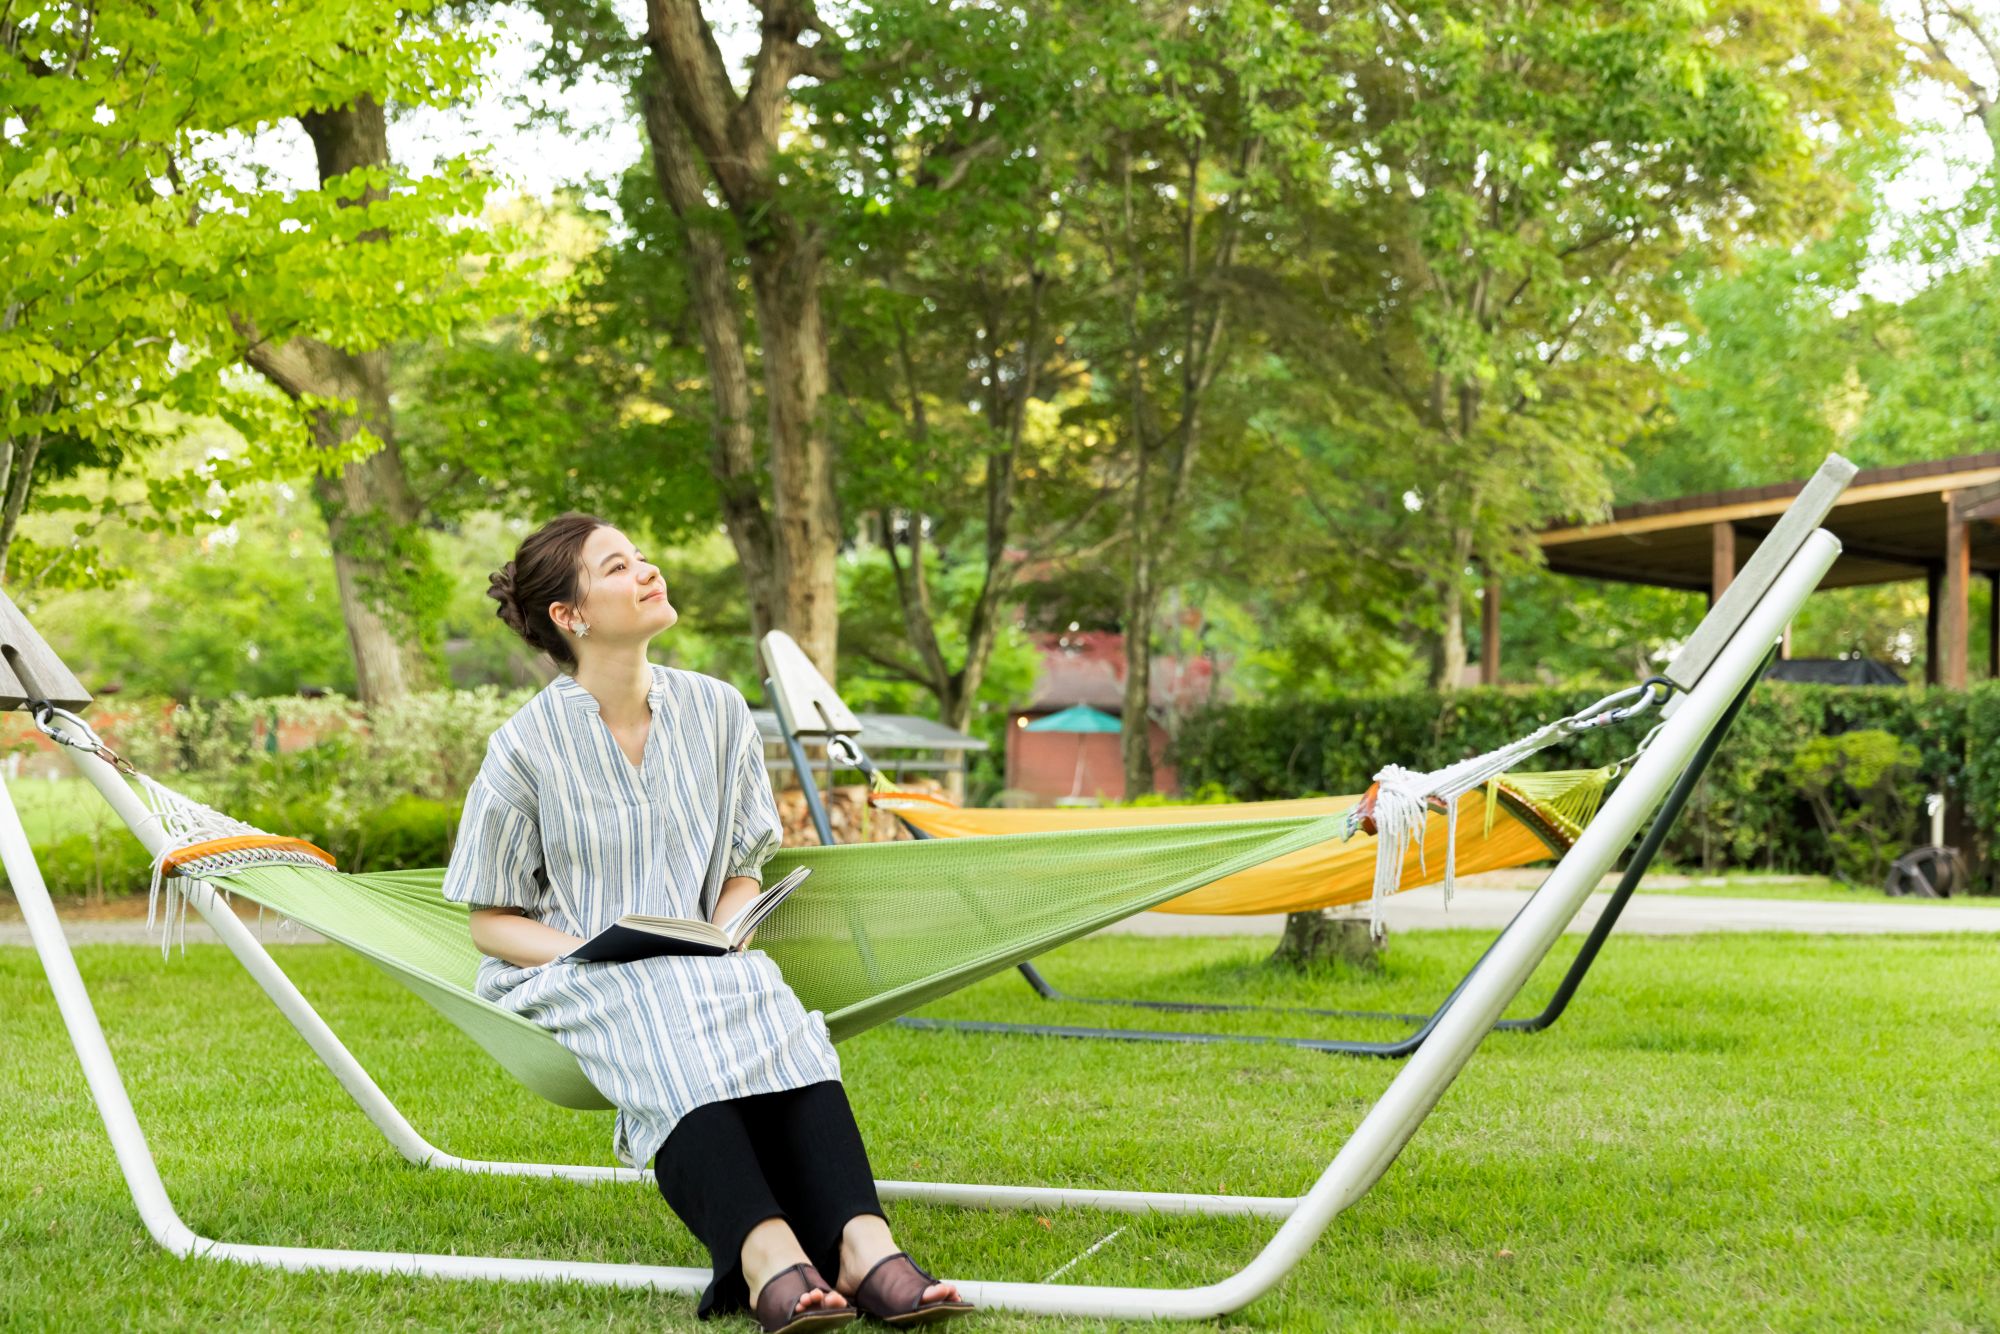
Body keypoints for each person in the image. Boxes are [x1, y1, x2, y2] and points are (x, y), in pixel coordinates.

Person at [442, 513, 973, 1333]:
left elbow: (740, 864)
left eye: (643, 556)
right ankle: (767, 1262)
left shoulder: (717, 711)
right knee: (658, 1000)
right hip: (571, 972)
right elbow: (491, 920)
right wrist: (592, 951)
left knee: (764, 995)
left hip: (701, 956)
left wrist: (727, 928)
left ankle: (867, 1250)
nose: (648, 571)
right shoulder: (524, 748)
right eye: (618, 567)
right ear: (570, 617)